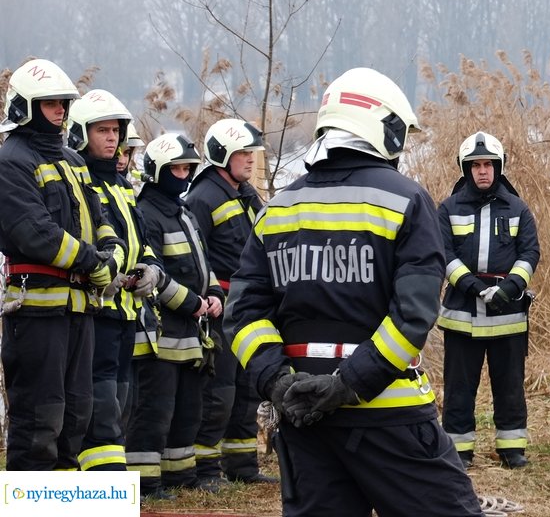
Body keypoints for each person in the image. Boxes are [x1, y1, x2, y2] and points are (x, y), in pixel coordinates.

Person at [225, 67, 482, 517]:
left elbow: (243, 315)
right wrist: (347, 384)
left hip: (304, 418)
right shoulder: (406, 200)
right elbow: (413, 316)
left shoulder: (278, 208)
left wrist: (278, 382)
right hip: (389, 416)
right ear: (380, 127)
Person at [0, 59, 122, 471]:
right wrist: (94, 264)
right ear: (26, 107)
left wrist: (112, 253)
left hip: (78, 307)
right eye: (50, 103)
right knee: (39, 420)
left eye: (64, 103)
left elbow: (99, 219)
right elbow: (36, 233)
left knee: (75, 418)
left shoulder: (73, 159)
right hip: (36, 312)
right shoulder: (11, 160)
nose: (61, 111)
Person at [65, 89, 161, 472]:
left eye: (115, 131)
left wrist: (152, 270)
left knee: (121, 397)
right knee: (100, 400)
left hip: (126, 312)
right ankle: (104, 482)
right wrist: (111, 273)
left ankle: (108, 482)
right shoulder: (81, 182)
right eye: (101, 130)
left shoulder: (122, 185)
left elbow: (143, 242)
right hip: (96, 309)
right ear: (80, 134)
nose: (111, 138)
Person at [126, 132, 224, 499]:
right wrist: (193, 303)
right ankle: (145, 483)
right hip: (159, 333)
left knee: (187, 408)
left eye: (187, 168)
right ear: (157, 171)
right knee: (154, 409)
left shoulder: (182, 212)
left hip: (190, 331)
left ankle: (180, 476)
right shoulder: (147, 214)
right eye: (176, 168)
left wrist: (213, 294)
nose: (183, 175)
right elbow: (154, 274)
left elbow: (203, 264)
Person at [436, 131, 540, 469]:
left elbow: (530, 252)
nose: (483, 171)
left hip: (507, 314)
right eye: (476, 165)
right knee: (459, 388)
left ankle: (512, 449)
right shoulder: (448, 208)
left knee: (509, 385)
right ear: (465, 169)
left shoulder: (518, 207)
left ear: (499, 167)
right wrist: (468, 284)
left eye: (489, 164)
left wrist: (511, 288)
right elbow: (443, 252)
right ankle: (458, 451)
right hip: (462, 313)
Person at [186, 117, 274, 486]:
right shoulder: (202, 197)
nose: (251, 160)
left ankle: (241, 467)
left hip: (247, 306)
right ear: (222, 155)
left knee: (246, 388)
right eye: (242, 153)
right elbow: (194, 256)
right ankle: (206, 469)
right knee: (218, 392)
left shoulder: (247, 194)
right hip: (219, 309)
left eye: (252, 153)